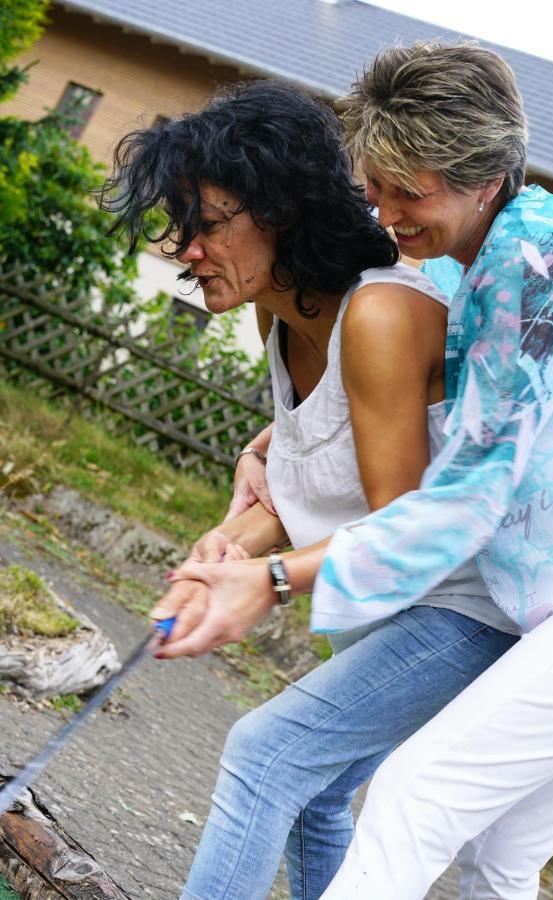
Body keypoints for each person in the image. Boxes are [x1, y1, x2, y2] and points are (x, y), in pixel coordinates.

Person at [102, 80, 519, 899]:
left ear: (283, 209)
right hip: (392, 600)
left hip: (467, 604)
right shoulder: (280, 312)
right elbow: (317, 477)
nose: (186, 249)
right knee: (318, 798)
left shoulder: (383, 317)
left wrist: (260, 579)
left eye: (209, 224)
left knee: (267, 757)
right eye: (180, 227)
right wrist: (232, 544)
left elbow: (400, 535)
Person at [299, 42, 553, 899]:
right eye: (375, 186)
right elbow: (447, 407)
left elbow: (465, 498)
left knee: (413, 799)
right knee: (502, 864)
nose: (386, 215)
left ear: (488, 178)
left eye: (410, 192)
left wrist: (271, 576)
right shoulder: (477, 259)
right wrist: (275, 449)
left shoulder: (540, 266)